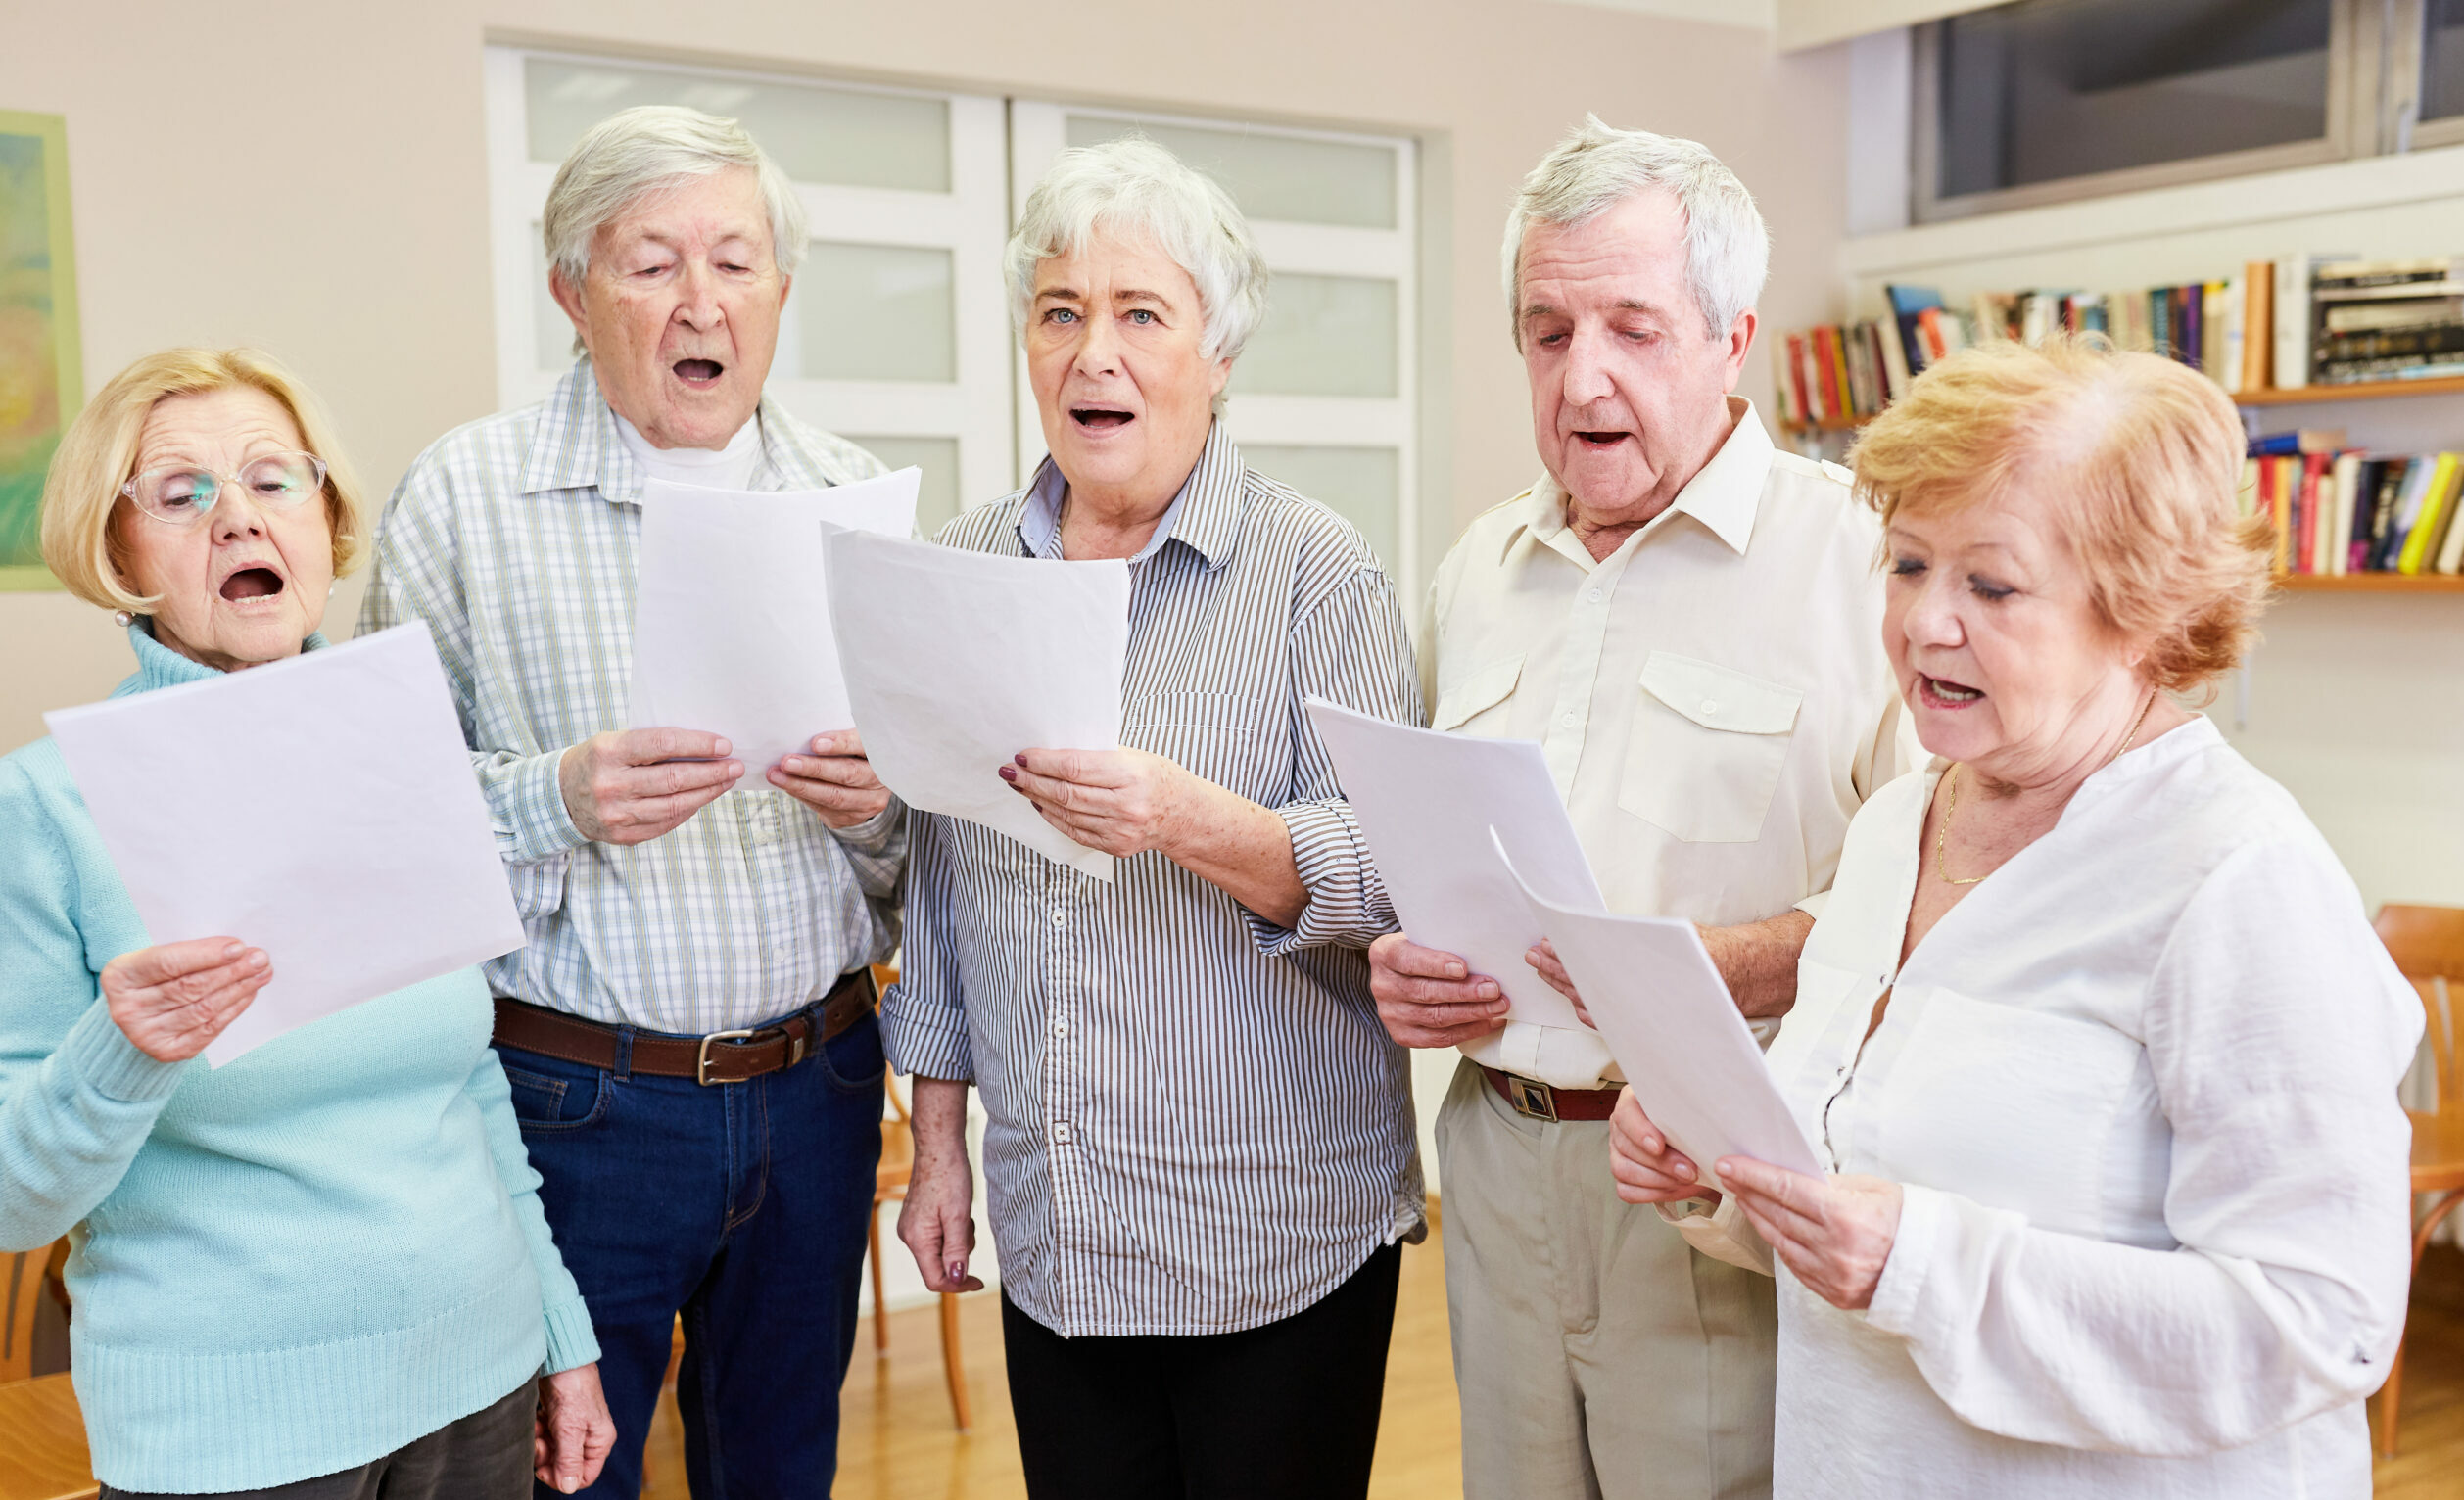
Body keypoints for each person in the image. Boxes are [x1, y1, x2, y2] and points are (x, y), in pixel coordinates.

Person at [1612, 337, 2420, 1496]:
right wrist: (1721, 1175)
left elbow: (2318, 1322)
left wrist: (1923, 1264)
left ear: (2141, 612)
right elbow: (1861, 1186)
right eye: (1907, 564)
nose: (1923, 623)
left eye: (1990, 586)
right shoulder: (1896, 825)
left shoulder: (2239, 877)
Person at [1365, 117, 1912, 1498]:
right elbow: (1433, 847)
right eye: (1546, 333)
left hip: (1707, 1178)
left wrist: (1725, 970)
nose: (1582, 377)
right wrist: (1411, 962)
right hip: (1492, 1153)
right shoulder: (1476, 570)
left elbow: (1931, 906)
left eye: (1631, 328)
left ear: (1731, 339)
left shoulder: (1863, 565)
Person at [360, 107, 895, 1499]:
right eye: (652, 265)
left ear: (782, 289)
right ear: (572, 294)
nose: (701, 301)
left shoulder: (855, 498)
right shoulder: (464, 497)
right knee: (568, 1480)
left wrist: (875, 805)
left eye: (736, 261)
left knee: (782, 1468)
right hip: (576, 1108)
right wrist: (560, 797)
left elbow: (922, 853)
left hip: (821, 1087)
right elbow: (381, 832)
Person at [882, 137, 1423, 1500]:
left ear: (1217, 352)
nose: (1094, 354)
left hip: (1274, 1238)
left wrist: (1185, 816)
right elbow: (942, 888)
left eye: (1140, 314)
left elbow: (1388, 875)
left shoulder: (1318, 571)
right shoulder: (962, 566)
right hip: (1057, 1231)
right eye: (1060, 312)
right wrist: (938, 1149)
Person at [0, 348, 611, 1499]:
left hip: (477, 1377)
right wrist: (121, 1049)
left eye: (273, 478)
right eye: (179, 492)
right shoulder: (40, 806)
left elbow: (468, 1083)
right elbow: (13, 1198)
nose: (237, 515)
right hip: (232, 1432)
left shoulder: (402, 745)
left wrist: (558, 1332)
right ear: (118, 552)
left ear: (325, 524)